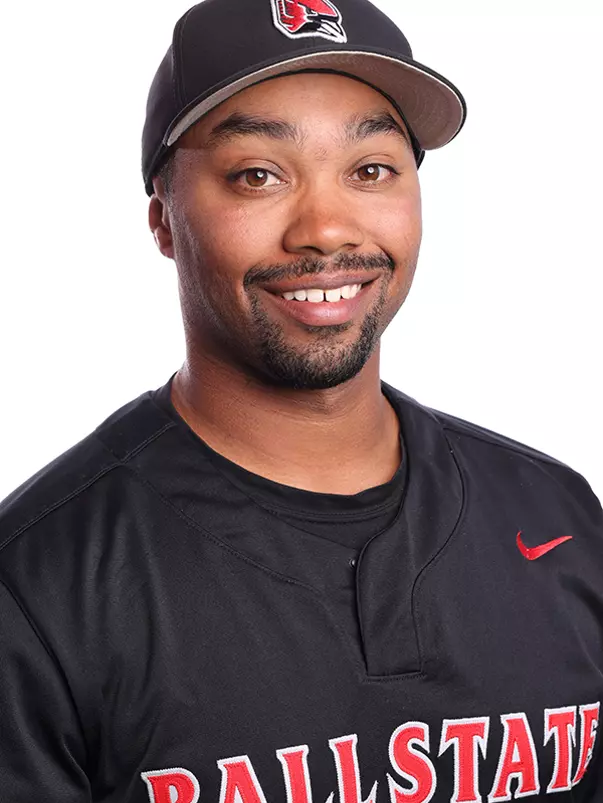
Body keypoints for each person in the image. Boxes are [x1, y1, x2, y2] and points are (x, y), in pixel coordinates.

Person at [0, 0, 601, 800]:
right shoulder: (39, 584)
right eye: (258, 175)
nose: (325, 228)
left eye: (370, 170)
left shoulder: (558, 514)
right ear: (163, 220)